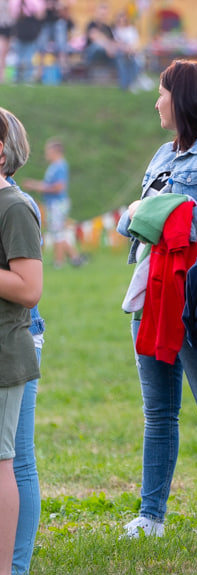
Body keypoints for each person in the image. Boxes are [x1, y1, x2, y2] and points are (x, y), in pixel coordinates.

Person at [115, 60, 197, 539]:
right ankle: (150, 516)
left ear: (184, 97)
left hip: (195, 296)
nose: (156, 102)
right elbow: (125, 225)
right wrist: (150, 214)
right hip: (149, 294)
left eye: (162, 92)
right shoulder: (162, 154)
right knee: (159, 413)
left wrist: (146, 212)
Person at [0, 111, 42, 575]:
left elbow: (29, 288)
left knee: (8, 462)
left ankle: (11, 566)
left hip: (7, 349)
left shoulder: (14, 206)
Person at [22, 138, 84, 269]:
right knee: (57, 231)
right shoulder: (54, 166)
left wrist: (36, 187)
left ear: (55, 151)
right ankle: (76, 258)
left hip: (58, 203)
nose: (46, 153)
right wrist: (35, 185)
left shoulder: (60, 166)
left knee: (57, 233)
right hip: (53, 204)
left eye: (48, 150)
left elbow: (59, 187)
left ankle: (59, 262)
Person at [11, 0, 45, 84]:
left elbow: (13, 15)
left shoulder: (15, 2)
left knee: (19, 57)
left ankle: (17, 77)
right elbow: (40, 15)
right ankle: (27, 78)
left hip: (21, 33)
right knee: (28, 57)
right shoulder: (35, 2)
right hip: (30, 33)